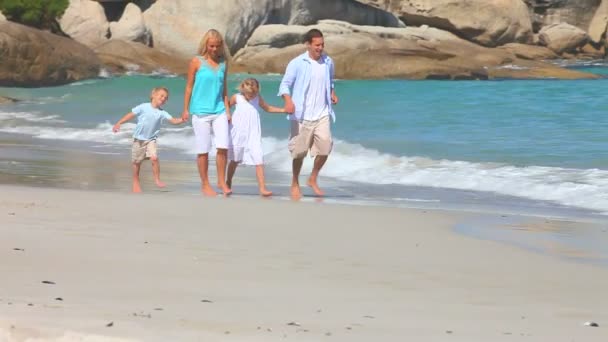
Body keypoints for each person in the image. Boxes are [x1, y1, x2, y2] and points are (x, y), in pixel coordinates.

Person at [278, 28, 339, 199]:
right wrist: (288, 101)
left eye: (322, 44)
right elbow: (284, 85)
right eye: (317, 45)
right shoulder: (297, 63)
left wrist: (332, 93)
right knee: (299, 153)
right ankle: (295, 182)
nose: (320, 48)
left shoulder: (328, 62)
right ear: (309, 44)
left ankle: (313, 178)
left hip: (322, 114)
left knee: (325, 148)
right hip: (302, 115)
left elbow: (331, 81)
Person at [181, 29, 232, 196]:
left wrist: (228, 110)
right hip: (200, 112)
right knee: (203, 149)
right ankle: (205, 184)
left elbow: (224, 89)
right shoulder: (196, 62)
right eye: (211, 46)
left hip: (219, 110)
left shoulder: (224, 63)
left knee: (223, 147)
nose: (214, 49)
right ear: (206, 45)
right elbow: (189, 87)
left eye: (217, 46)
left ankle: (221, 181)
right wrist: (185, 109)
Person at [112, 87, 184, 193]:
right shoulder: (143, 107)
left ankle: (157, 179)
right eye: (162, 95)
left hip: (151, 140)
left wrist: (182, 119)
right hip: (139, 139)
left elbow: (173, 120)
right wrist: (119, 123)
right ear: (153, 95)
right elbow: (130, 114)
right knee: (137, 162)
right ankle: (135, 181)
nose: (164, 98)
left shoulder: (162, 113)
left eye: (166, 98)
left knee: (154, 158)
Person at [226, 78, 286, 196]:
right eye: (249, 94)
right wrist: (227, 116)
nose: (251, 96)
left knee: (259, 160)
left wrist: (283, 110)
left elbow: (268, 108)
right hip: (238, 133)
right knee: (235, 160)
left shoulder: (257, 99)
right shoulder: (236, 97)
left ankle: (262, 188)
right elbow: (225, 106)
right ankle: (228, 181)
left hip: (253, 135)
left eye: (254, 93)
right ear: (243, 89)